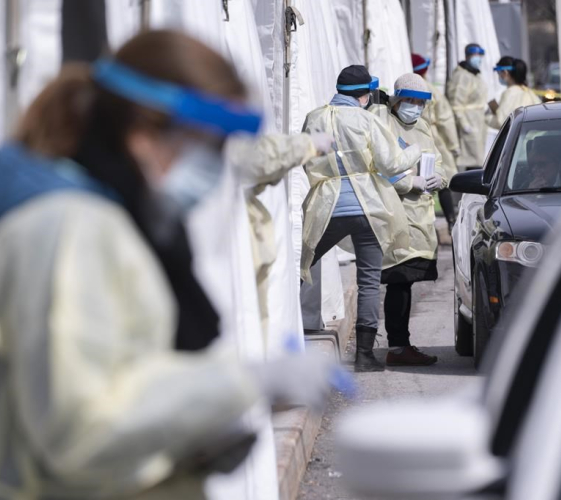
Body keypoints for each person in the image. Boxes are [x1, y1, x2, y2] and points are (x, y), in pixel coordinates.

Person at [0, 30, 340, 498]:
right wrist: (241, 383)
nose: (215, 167)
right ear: (143, 134)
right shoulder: (70, 227)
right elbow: (77, 430)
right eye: (208, 145)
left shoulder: (119, 218)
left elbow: (126, 375)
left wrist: (195, 437)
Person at [301, 65, 422, 372]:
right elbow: (391, 162)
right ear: (365, 96)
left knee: (302, 265)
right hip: (368, 207)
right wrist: (415, 152)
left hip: (326, 206)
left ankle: (289, 328)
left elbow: (305, 158)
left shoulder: (314, 118)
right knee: (368, 281)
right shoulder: (366, 119)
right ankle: (365, 355)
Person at [371, 73, 447, 366]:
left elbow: (437, 160)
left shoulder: (424, 126)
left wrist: (436, 178)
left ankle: (401, 344)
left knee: (406, 281)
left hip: (420, 216)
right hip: (394, 213)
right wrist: (409, 183)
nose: (415, 108)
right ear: (397, 100)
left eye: (420, 103)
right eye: (410, 101)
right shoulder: (383, 123)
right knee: (397, 281)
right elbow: (378, 166)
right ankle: (397, 346)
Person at [412, 53, 460, 229]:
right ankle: (451, 220)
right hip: (434, 138)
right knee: (440, 178)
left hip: (410, 140)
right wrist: (453, 145)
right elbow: (445, 119)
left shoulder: (402, 85)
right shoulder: (432, 89)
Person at [447, 43, 491, 169]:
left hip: (477, 123)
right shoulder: (462, 76)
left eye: (479, 55)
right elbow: (456, 103)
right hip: (469, 123)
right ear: (467, 56)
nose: (478, 58)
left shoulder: (474, 75)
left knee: (478, 160)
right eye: (475, 55)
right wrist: (464, 124)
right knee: (470, 161)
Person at [489, 57, 541, 129]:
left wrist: (486, 117)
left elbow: (502, 122)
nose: (499, 76)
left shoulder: (510, 94)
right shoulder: (530, 93)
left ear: (505, 72)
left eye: (499, 72)